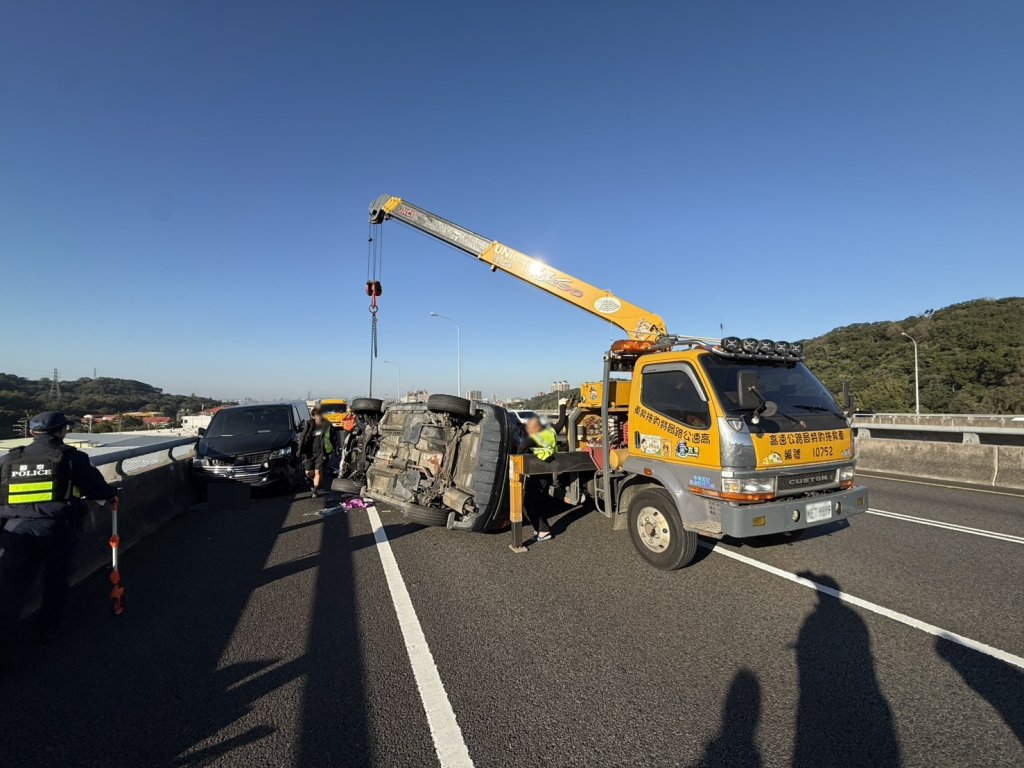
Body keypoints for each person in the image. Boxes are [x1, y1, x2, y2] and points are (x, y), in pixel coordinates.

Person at [0, 411, 117, 659]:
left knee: (11, 589)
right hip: (58, 529)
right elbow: (97, 489)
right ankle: (47, 629)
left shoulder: (10, 459)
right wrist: (111, 492)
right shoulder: (72, 458)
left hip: (15, 531)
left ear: (32, 432)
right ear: (62, 431)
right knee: (56, 579)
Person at [519, 417, 558, 542]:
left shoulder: (539, 437)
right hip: (545, 472)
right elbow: (561, 424)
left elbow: (522, 446)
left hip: (539, 474)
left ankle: (544, 531)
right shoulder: (550, 433)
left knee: (528, 503)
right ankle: (538, 528)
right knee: (534, 502)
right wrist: (563, 406)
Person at [298, 408, 339, 497]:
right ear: (313, 416)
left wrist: (336, 449)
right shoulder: (308, 425)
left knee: (317, 472)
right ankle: (317, 480)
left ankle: (315, 491)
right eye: (316, 415)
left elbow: (334, 438)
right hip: (310, 453)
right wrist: (299, 450)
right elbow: (302, 438)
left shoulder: (327, 425)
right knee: (308, 473)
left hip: (322, 452)